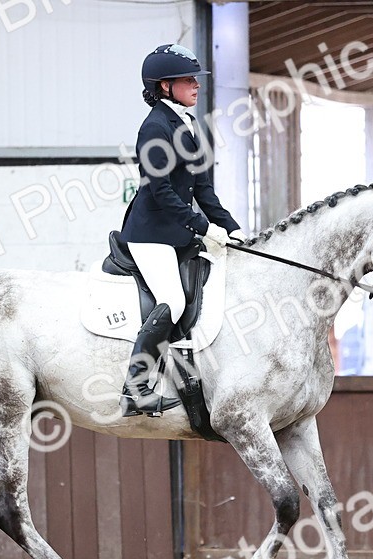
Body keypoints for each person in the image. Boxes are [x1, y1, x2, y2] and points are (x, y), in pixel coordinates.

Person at [118, 43, 244, 415]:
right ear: (163, 86)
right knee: (172, 300)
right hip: (150, 233)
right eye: (188, 80)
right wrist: (203, 227)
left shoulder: (188, 124)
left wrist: (231, 228)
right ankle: (136, 388)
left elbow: (202, 189)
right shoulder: (155, 127)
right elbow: (161, 192)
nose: (196, 85)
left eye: (196, 79)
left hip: (179, 232)